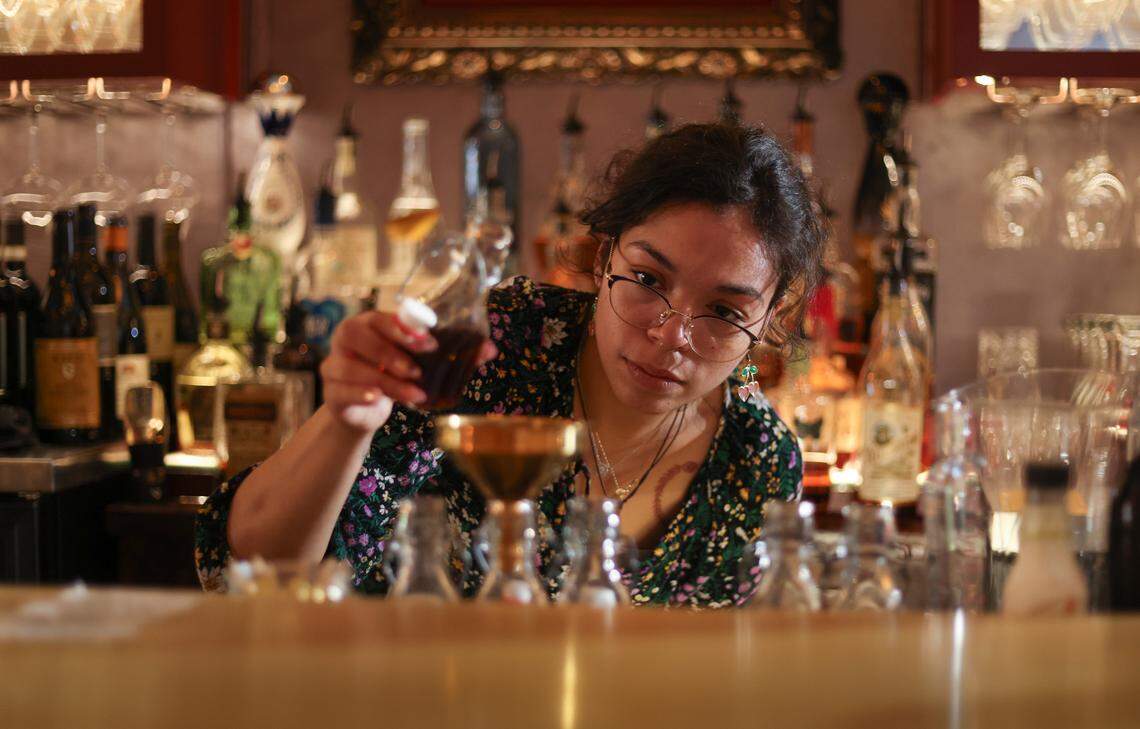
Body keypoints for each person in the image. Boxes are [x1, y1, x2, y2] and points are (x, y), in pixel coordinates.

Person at [195, 122, 826, 608]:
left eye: (723, 310)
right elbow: (253, 562)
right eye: (647, 278)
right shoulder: (499, 346)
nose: (672, 335)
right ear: (603, 257)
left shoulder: (758, 461)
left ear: (771, 317)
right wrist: (348, 421)